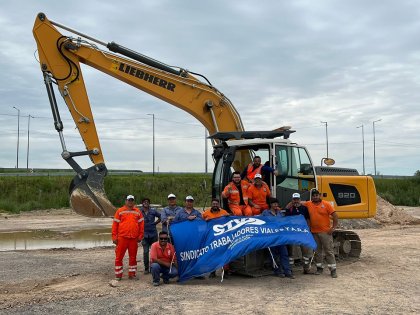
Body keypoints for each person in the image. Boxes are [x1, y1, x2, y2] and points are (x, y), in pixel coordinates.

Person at [305, 189, 338, 278]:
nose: (315, 197)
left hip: (325, 232)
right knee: (318, 252)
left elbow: (335, 215)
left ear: (319, 195)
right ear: (311, 196)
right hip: (314, 233)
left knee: (329, 251)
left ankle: (333, 270)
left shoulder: (326, 204)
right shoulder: (308, 204)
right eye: (313, 195)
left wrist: (333, 228)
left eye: (317, 195)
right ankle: (319, 268)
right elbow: (297, 202)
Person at [112, 195, 144, 280]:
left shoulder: (138, 211)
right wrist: (114, 237)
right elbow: (115, 225)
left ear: (133, 201)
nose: (130, 202)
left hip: (134, 238)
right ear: (125, 201)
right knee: (119, 257)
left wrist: (140, 236)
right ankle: (118, 275)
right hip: (122, 238)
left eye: (132, 200)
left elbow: (141, 225)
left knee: (133, 257)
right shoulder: (120, 211)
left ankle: (132, 274)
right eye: (129, 200)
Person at [261, 197, 294, 278]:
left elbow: (283, 222)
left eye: (277, 203)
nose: (276, 205)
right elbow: (261, 222)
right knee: (273, 255)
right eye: (274, 203)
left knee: (284, 254)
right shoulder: (265, 212)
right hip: (271, 237)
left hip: (280, 237)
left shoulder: (280, 213)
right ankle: (277, 271)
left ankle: (287, 271)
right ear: (270, 204)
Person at [283, 192, 312, 274]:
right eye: (294, 199)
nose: (296, 201)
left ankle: (306, 269)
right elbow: (287, 220)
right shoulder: (289, 209)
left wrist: (309, 229)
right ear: (292, 200)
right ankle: (290, 269)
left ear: (300, 199)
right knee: (291, 252)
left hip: (303, 233)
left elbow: (308, 219)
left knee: (305, 251)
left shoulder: (304, 208)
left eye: (297, 199)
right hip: (293, 233)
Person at [202, 198, 230, 279]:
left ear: (219, 205)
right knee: (212, 254)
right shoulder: (206, 213)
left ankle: (225, 271)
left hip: (222, 237)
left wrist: (228, 216)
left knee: (224, 254)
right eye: (213, 204)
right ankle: (212, 271)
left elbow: (229, 220)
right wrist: (205, 221)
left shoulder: (224, 212)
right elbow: (200, 223)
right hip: (211, 237)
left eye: (216, 204)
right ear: (211, 205)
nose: (215, 205)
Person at [140, 197, 161, 274]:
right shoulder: (139, 211)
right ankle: (146, 268)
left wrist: (155, 223)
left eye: (147, 201)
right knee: (145, 252)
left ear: (149, 203)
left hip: (153, 234)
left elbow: (160, 217)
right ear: (142, 203)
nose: (146, 203)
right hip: (144, 235)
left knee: (154, 252)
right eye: (144, 201)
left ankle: (153, 267)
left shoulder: (153, 211)